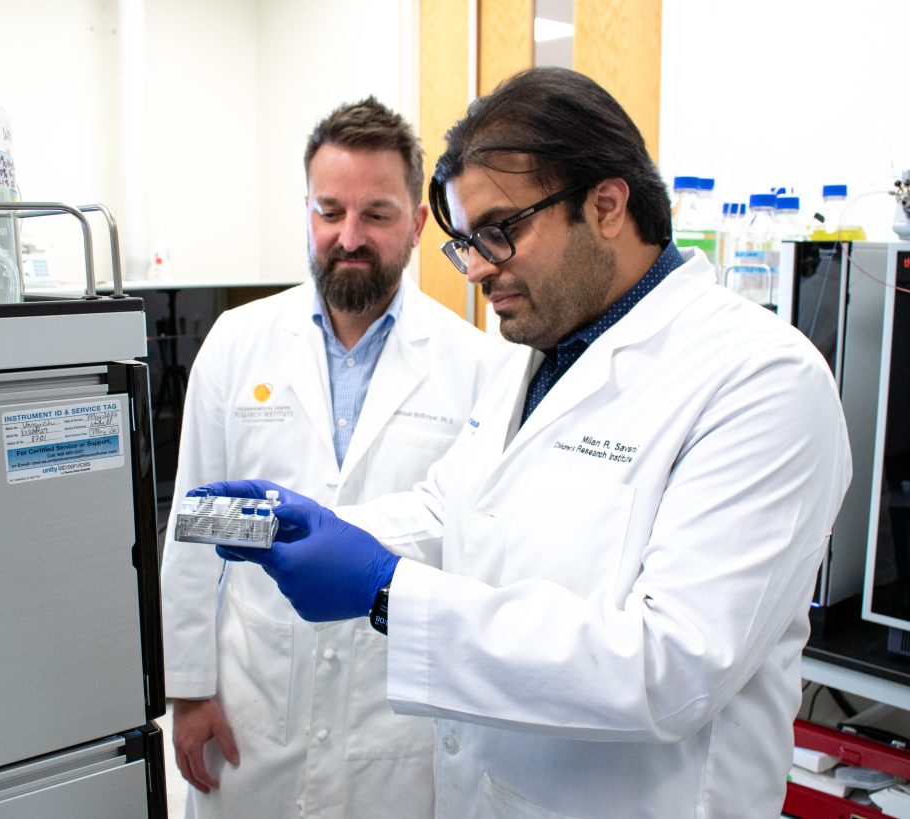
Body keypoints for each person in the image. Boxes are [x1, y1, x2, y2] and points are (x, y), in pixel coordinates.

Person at [200, 68, 853, 817]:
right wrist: (320, 526)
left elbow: (671, 666)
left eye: (498, 231)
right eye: (466, 242)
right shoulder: (534, 353)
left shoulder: (762, 379)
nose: (476, 267)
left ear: (606, 205)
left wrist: (386, 588)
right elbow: (455, 513)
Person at [159, 97, 495, 818]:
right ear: (306, 210)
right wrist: (188, 691)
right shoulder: (236, 341)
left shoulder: (477, 365)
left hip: (395, 716)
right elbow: (192, 527)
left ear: (417, 221)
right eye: (329, 210)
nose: (349, 236)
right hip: (252, 706)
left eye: (376, 213)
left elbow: (470, 545)